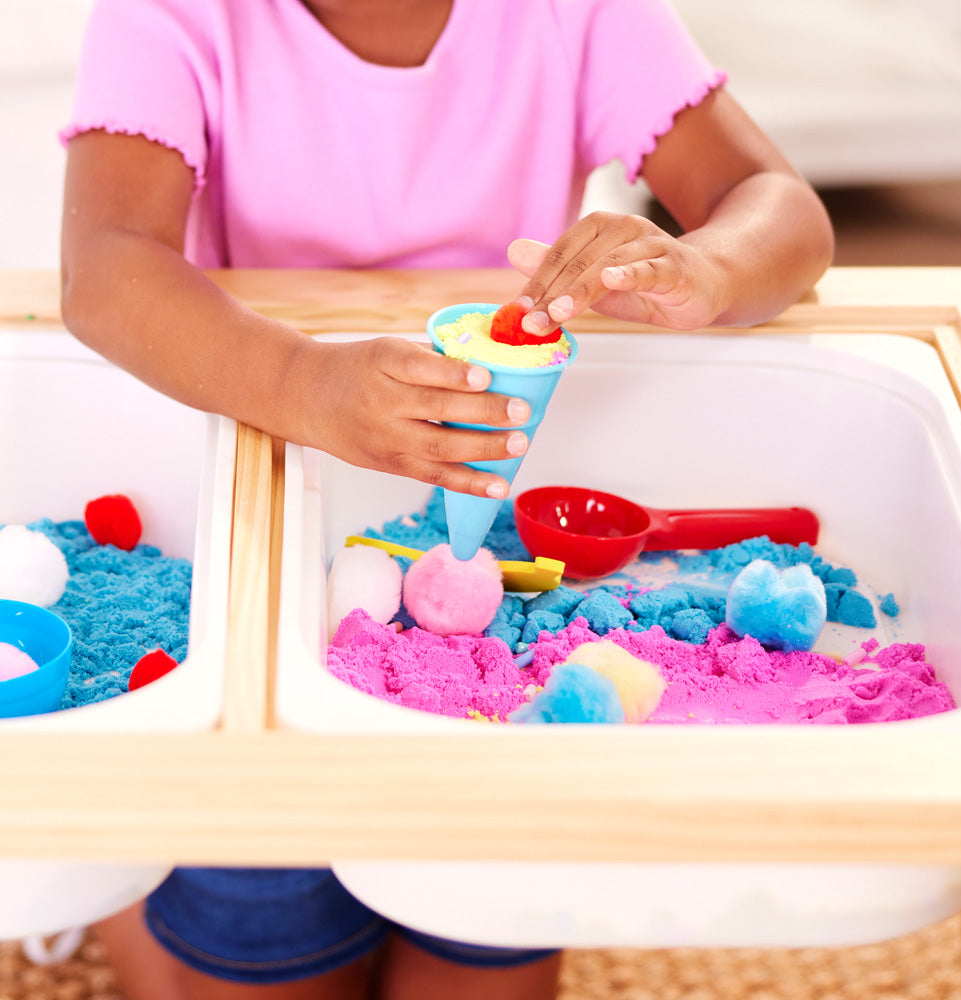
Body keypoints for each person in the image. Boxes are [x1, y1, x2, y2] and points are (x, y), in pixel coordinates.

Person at [59, 0, 834, 997]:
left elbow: (780, 204)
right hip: (266, 444)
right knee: (260, 928)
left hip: (477, 503)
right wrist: (308, 386)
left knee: (479, 944)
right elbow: (107, 269)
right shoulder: (172, 15)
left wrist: (706, 264)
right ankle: (124, 871)